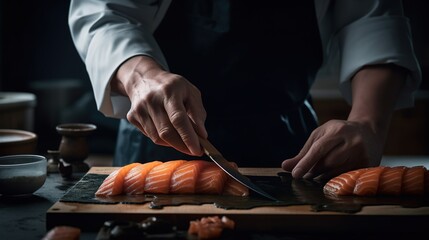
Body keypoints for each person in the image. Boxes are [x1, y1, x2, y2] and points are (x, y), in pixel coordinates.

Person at [68, 0, 421, 180]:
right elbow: (105, 10)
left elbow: (371, 16)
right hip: (157, 139)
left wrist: (367, 124)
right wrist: (141, 75)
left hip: (292, 147)